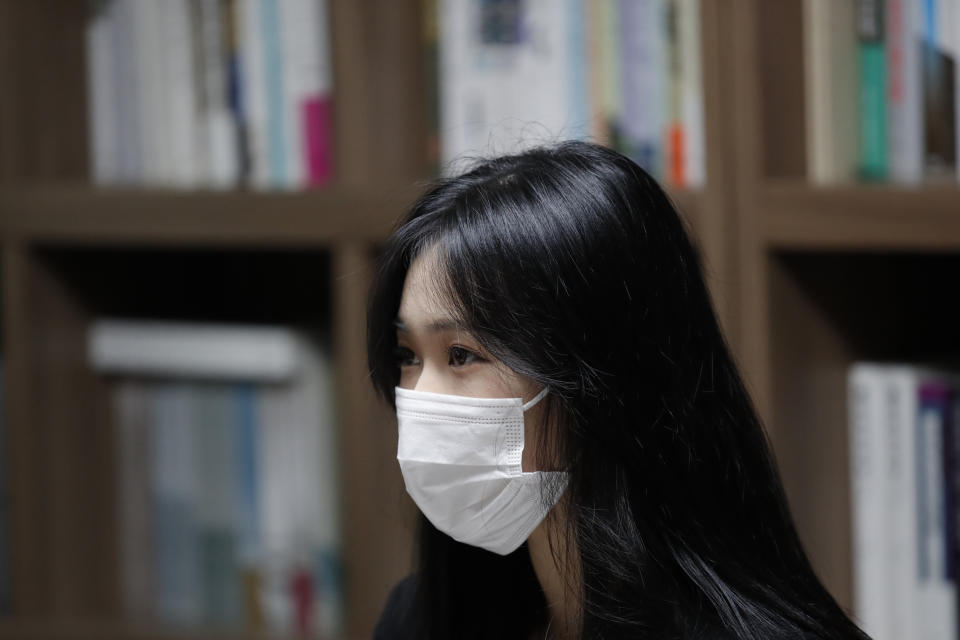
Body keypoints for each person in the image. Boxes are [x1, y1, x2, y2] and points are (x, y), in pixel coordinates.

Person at [365, 141, 870, 640]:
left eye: (462, 354)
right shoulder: (420, 618)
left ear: (600, 374)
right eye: (408, 355)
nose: (421, 398)